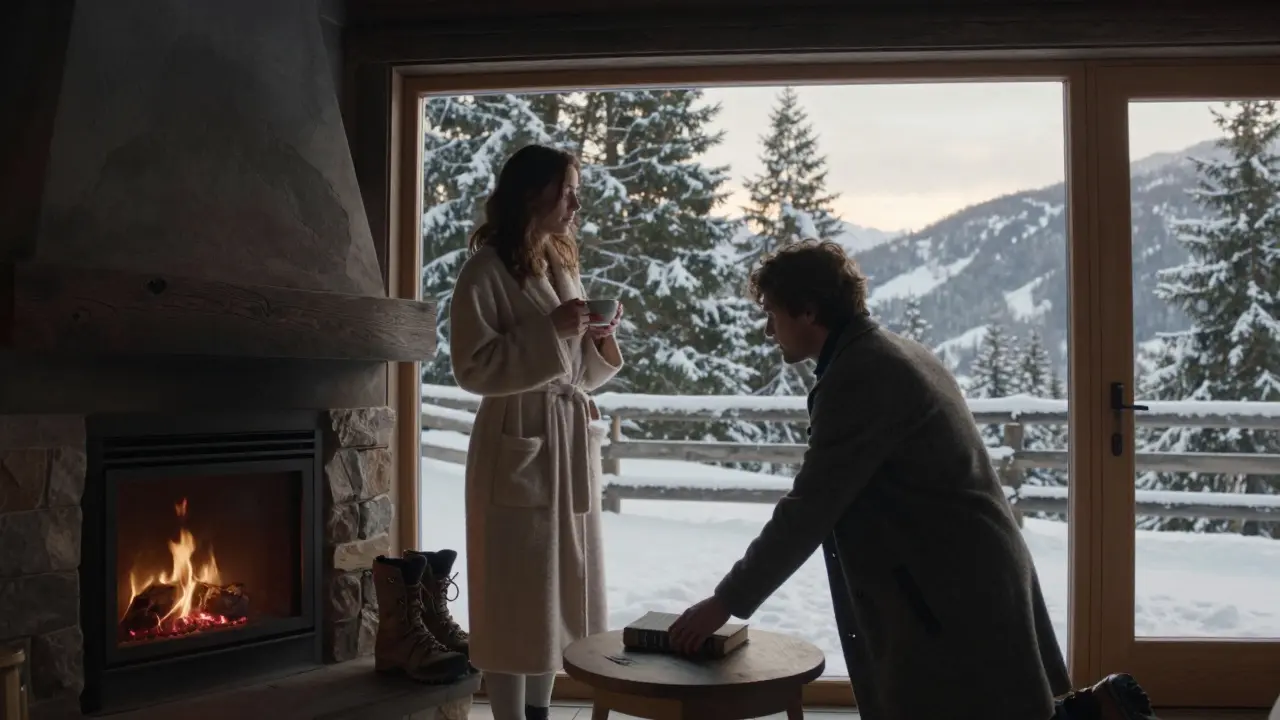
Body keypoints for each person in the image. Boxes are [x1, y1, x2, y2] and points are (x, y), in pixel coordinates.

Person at [668, 239, 1158, 720]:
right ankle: (1100, 708)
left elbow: (809, 508)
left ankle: (1104, 711)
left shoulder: (860, 376)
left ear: (809, 310)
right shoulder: (889, 351)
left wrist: (725, 602)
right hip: (965, 573)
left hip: (947, 589)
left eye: (772, 313)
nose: (768, 330)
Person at [449, 144, 624, 720]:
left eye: (576, 191)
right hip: (516, 439)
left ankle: (540, 712)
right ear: (531, 193)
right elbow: (472, 368)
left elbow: (576, 375)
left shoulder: (559, 264)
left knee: (556, 592)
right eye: (567, 190)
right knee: (514, 592)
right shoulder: (484, 272)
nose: (576, 203)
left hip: (564, 440)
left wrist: (596, 340)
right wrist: (551, 331)